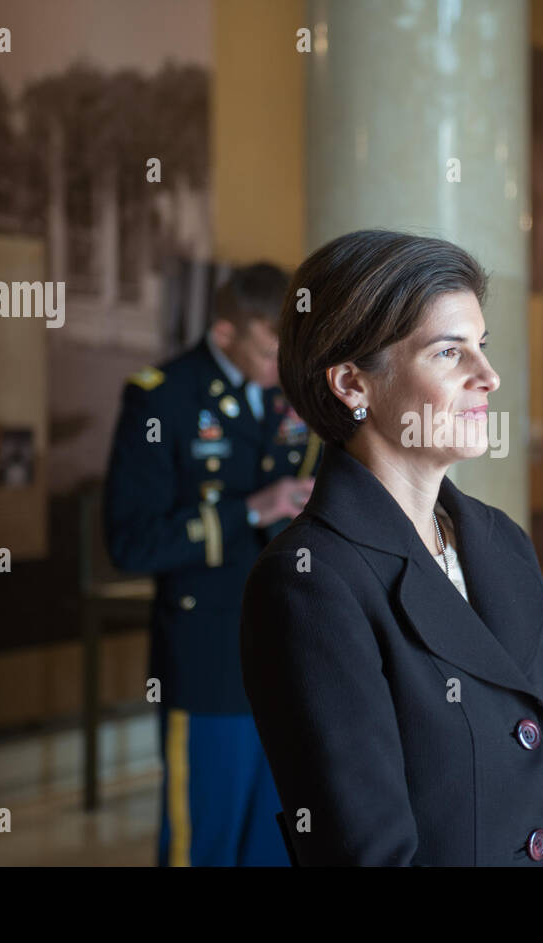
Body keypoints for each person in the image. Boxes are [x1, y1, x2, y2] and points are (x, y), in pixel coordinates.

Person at [239, 229, 543, 866]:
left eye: (482, 347)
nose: (488, 376)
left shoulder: (502, 543)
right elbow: (368, 852)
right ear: (352, 384)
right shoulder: (309, 583)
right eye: (449, 352)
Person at [104, 262, 319, 866]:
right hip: (208, 658)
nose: (284, 367)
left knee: (279, 841)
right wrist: (247, 511)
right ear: (225, 333)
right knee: (206, 840)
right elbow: (130, 542)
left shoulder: (296, 396)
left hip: (292, 655)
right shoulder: (162, 397)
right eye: (270, 350)